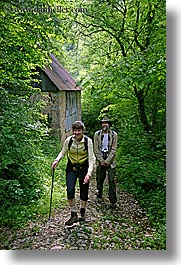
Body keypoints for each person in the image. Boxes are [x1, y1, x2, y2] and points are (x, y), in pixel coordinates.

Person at [52, 121, 94, 226]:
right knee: (70, 190)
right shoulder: (69, 140)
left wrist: (89, 173)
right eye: (75, 130)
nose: (77, 133)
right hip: (71, 167)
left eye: (79, 130)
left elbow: (91, 159)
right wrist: (57, 160)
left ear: (83, 131)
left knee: (84, 191)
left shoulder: (87, 141)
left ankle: (83, 211)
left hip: (83, 168)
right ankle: (73, 214)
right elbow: (63, 152)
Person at [93, 116, 118, 208]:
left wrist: (107, 161)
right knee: (100, 177)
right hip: (100, 159)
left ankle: (113, 200)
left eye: (106, 123)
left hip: (110, 161)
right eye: (103, 123)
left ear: (109, 124)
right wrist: (101, 160)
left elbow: (114, 150)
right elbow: (96, 149)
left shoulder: (114, 135)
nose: (104, 124)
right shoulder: (97, 134)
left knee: (111, 180)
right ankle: (99, 191)